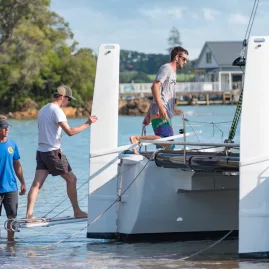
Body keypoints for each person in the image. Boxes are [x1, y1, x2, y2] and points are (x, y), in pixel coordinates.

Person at [26, 85, 98, 220]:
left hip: (41, 151)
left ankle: (29, 214)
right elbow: (70, 132)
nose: (68, 102)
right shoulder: (57, 111)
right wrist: (88, 123)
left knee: (36, 184)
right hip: (53, 152)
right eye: (68, 99)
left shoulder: (43, 109)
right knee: (72, 179)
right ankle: (77, 211)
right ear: (62, 97)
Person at [130, 46, 189, 154]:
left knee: (168, 146)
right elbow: (155, 87)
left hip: (161, 110)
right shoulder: (166, 68)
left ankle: (158, 166)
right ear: (177, 57)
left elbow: (159, 93)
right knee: (166, 142)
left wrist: (148, 115)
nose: (185, 62)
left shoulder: (173, 73)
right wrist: (161, 108)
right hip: (160, 111)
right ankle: (137, 138)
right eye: (184, 59)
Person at [0, 116, 26, 241]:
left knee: (12, 217)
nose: (6, 130)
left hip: (11, 187)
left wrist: (22, 182)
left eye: (7, 127)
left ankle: (11, 243)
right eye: (3, 127)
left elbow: (17, 164)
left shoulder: (12, 144)